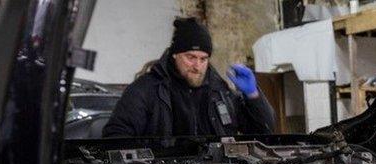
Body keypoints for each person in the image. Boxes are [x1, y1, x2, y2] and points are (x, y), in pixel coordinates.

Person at [103, 17, 275, 138]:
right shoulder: (146, 90)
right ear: (175, 55)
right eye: (191, 57)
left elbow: (263, 133)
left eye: (203, 59)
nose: (197, 65)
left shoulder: (220, 92)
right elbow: (116, 136)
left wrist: (253, 96)